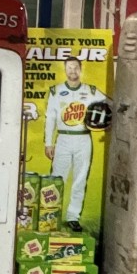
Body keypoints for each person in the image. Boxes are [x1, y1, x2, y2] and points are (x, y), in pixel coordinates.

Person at [44, 57, 109, 225]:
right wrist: (48, 143)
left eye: (75, 67)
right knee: (57, 178)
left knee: (80, 179)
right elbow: (50, 119)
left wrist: (106, 122)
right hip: (63, 138)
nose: (72, 71)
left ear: (81, 69)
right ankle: (52, 214)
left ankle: (73, 217)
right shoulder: (55, 91)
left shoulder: (91, 91)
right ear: (65, 70)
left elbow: (110, 105)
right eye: (69, 68)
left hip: (83, 138)